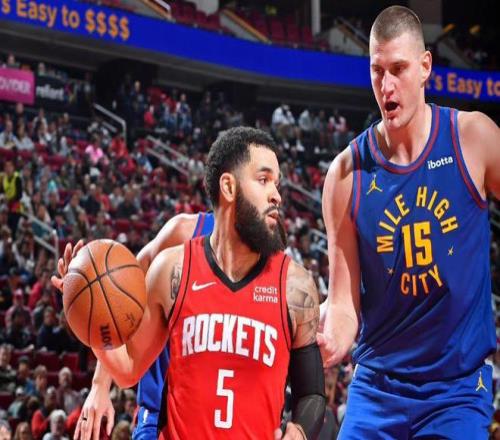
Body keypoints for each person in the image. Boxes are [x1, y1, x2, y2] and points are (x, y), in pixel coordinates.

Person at [67, 127, 326, 438]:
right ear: (228, 186)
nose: (277, 195)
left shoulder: (295, 286)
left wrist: (299, 432)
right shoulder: (172, 264)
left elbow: (312, 394)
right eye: (263, 179)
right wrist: (87, 314)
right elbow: (126, 365)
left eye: (277, 183)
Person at [319, 5, 500, 439]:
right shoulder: (345, 175)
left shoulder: (473, 138)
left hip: (457, 390)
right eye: (377, 71)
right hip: (377, 389)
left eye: (398, 69)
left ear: (425, 67)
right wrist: (332, 339)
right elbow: (343, 303)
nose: (386, 85)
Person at [52, 210, 215, 440]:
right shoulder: (185, 233)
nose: (268, 197)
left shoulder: (266, 257)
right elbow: (117, 297)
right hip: (163, 422)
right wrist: (100, 383)